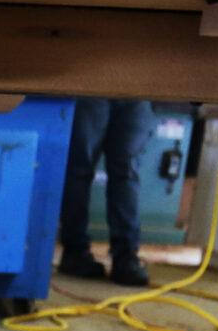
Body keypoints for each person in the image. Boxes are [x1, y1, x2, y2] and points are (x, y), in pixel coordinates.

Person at [57, 98, 155, 287]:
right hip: (94, 82)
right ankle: (74, 252)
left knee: (126, 173)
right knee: (80, 169)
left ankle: (126, 256)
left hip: (139, 87)